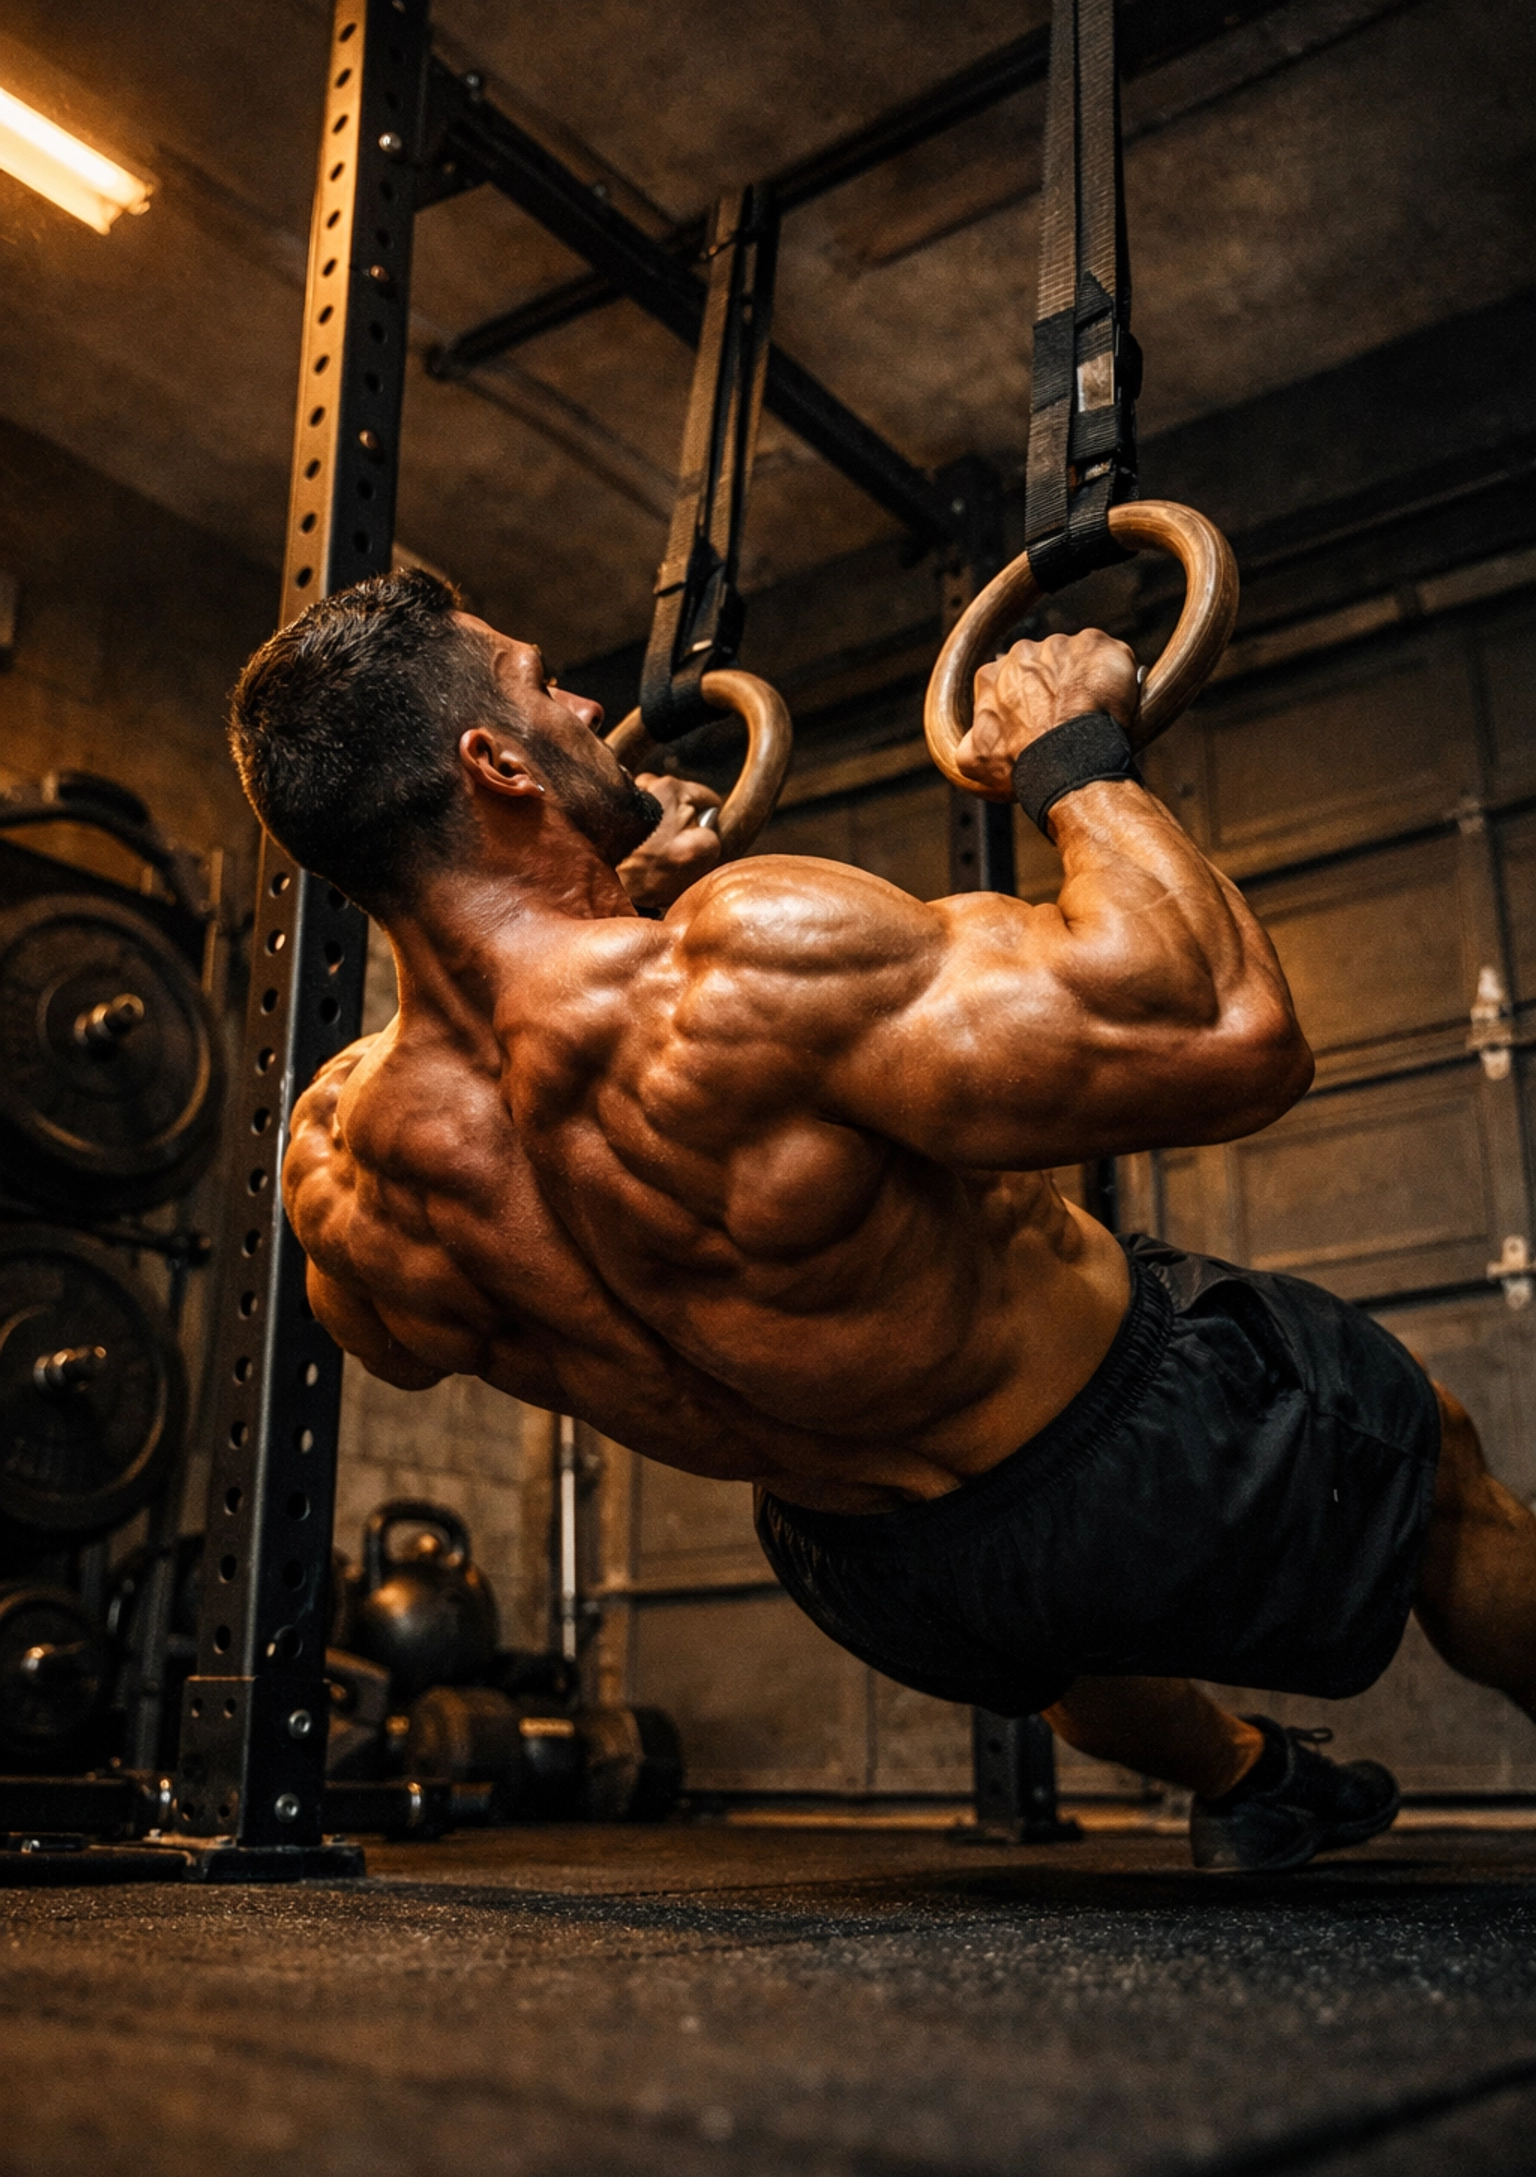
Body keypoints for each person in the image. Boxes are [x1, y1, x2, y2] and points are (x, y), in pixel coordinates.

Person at [230, 568, 1536, 1872]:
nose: (583, 701)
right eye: (541, 685)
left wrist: (597, 892)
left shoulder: (345, 1156)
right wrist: (1071, 751)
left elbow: (401, 1343)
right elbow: (1232, 1031)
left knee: (1049, 1643)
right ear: (498, 768)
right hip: (1146, 1454)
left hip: (874, 1576)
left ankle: (1257, 1779)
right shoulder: (732, 965)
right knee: (1446, 1472)